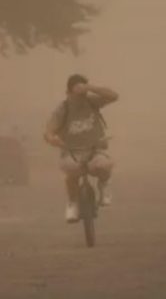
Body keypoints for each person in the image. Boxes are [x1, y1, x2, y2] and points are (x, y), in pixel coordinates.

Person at [44, 74, 119, 223]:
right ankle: (72, 203)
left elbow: (113, 96)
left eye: (83, 93)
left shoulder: (91, 101)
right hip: (72, 152)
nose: (79, 97)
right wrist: (52, 139)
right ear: (68, 92)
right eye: (76, 93)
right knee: (71, 174)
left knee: (104, 165)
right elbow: (49, 131)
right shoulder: (63, 108)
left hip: (94, 149)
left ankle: (104, 185)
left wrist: (90, 88)